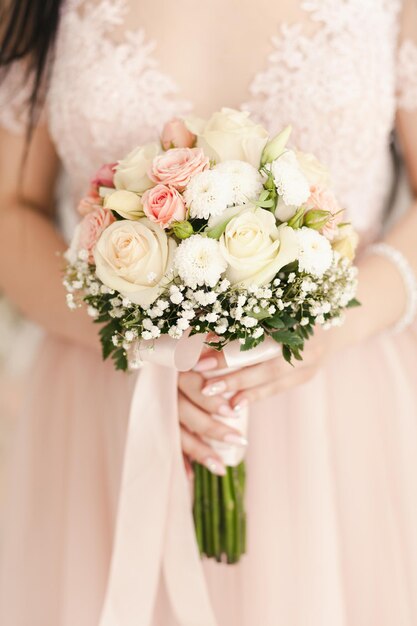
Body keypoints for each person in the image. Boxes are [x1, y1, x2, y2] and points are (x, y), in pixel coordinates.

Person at [1, 1, 417, 624]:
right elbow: (10, 209)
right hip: (107, 403)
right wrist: (138, 339)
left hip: (338, 411)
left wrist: (333, 325)